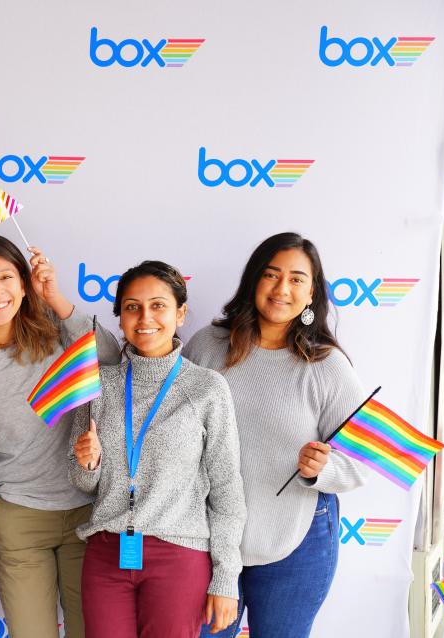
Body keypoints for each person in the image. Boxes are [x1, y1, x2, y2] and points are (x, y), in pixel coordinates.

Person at [187, 232, 366, 638]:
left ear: (312, 293)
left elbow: (363, 460)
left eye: (297, 279)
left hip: (296, 539)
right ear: (253, 280)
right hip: (207, 538)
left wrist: (322, 469)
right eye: (271, 274)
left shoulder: (327, 366)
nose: (282, 288)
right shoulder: (207, 347)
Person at [0, 234, 120, 638]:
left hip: (86, 513)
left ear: (24, 286)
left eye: (7, 277)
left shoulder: (58, 336)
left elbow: (111, 358)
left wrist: (55, 298)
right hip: (17, 519)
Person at [70, 260, 245, 638]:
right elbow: (84, 484)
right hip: (107, 554)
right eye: (132, 307)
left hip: (178, 556)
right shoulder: (98, 385)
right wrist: (88, 464)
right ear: (120, 318)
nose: (145, 317)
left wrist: (226, 577)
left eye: (158, 305)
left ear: (180, 313)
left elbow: (227, 490)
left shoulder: (206, 389)